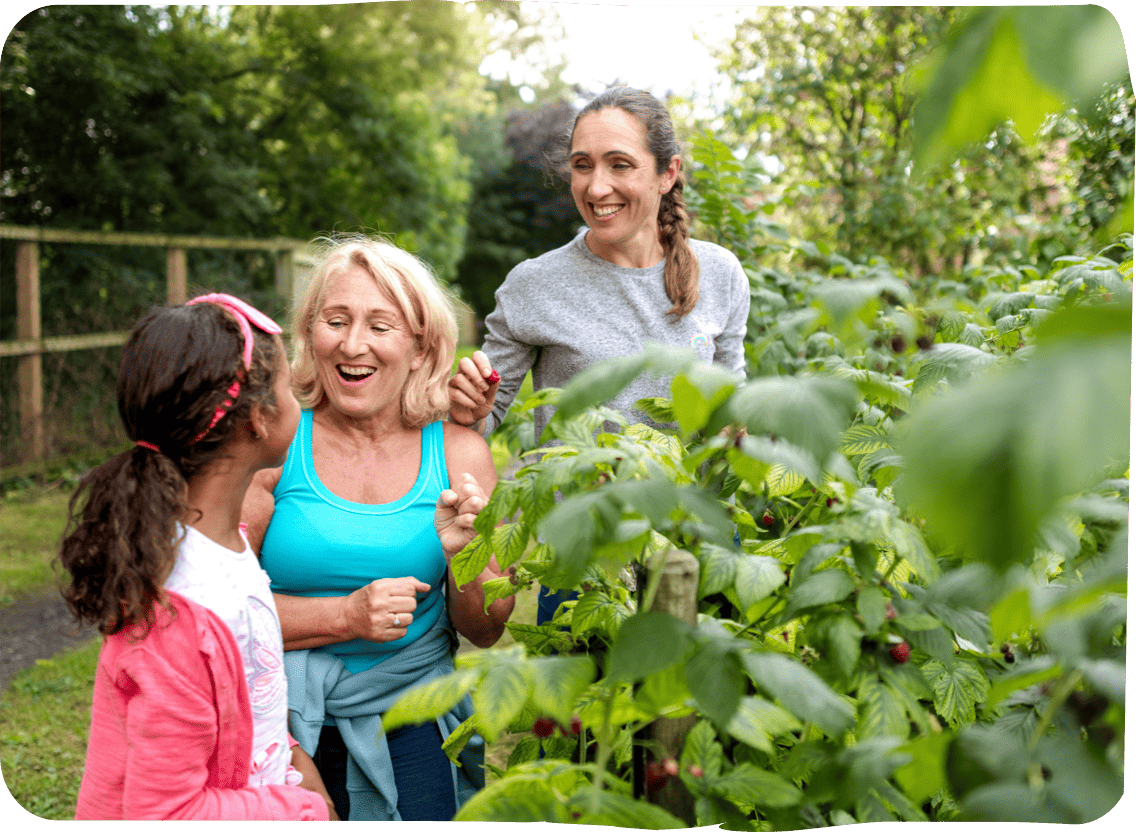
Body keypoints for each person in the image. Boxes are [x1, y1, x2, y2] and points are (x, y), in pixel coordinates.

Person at [448, 86, 751, 623]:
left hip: (695, 545)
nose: (596, 186)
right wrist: (469, 408)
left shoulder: (720, 274)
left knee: (697, 702)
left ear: (667, 173)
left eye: (620, 165)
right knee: (582, 707)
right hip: (584, 565)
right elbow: (481, 420)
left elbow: (733, 409)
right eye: (582, 165)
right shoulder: (535, 285)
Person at [241, 235, 514, 822]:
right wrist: (344, 617)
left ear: (420, 348)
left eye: (380, 326)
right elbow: (212, 611)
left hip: (413, 720)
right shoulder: (274, 446)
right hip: (273, 720)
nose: (352, 343)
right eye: (334, 320)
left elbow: (488, 630)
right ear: (311, 333)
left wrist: (466, 557)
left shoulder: (460, 455)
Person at [60, 295, 332, 820]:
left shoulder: (220, 546)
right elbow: (166, 813)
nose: (300, 393)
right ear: (259, 418)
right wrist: (298, 810)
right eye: (286, 384)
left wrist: (296, 765)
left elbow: (248, 701)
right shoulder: (183, 610)